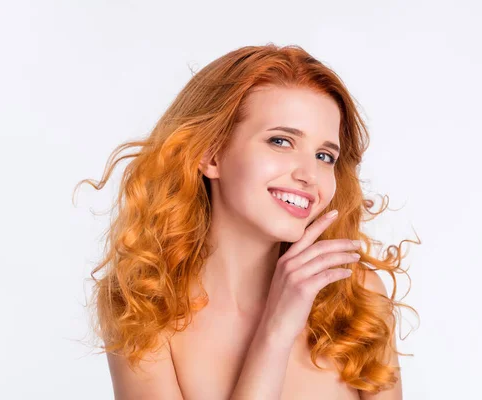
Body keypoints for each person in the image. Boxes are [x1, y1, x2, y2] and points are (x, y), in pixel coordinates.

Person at [74, 43, 418, 399]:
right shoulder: (145, 307)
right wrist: (276, 331)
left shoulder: (356, 297)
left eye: (324, 155)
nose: (309, 174)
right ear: (210, 155)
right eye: (281, 141)